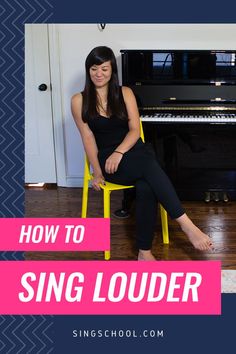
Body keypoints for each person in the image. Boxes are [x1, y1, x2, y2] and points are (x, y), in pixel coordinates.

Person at [71, 46, 213, 261]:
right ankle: (187, 225)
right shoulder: (78, 101)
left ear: (112, 71)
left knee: (147, 184)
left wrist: (120, 151)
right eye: (94, 68)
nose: (98, 74)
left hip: (130, 150)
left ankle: (144, 252)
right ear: (88, 70)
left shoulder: (125, 93)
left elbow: (135, 130)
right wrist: (97, 172)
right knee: (150, 166)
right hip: (109, 161)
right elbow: (88, 138)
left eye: (104, 69)